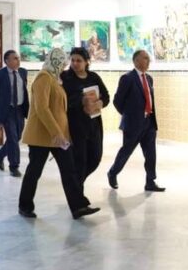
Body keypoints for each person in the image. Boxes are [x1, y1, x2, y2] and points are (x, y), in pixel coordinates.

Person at [18, 48, 100, 220]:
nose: (64, 66)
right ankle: (25, 206)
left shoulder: (56, 79)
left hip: (59, 137)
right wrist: (56, 132)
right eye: (62, 63)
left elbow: (60, 110)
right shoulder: (43, 78)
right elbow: (42, 108)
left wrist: (63, 133)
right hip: (42, 136)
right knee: (34, 171)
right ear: (54, 61)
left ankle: (78, 207)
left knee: (69, 170)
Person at [107, 49, 165, 192]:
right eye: (145, 58)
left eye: (148, 58)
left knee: (151, 154)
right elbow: (117, 101)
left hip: (149, 123)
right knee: (126, 152)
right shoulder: (127, 78)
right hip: (133, 124)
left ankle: (150, 181)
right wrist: (129, 115)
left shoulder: (149, 78)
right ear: (136, 61)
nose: (148, 61)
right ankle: (113, 173)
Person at [61, 47, 110, 195]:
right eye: (73, 60)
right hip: (75, 125)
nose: (75, 63)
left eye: (79, 60)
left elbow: (106, 96)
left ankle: (76, 184)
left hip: (94, 124)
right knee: (80, 161)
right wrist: (80, 101)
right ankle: (78, 196)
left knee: (95, 158)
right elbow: (63, 100)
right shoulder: (65, 77)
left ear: (87, 62)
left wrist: (100, 103)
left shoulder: (93, 77)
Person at [0, 50, 29, 177]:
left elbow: (23, 90)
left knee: (17, 137)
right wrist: (1, 105)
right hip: (7, 110)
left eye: (18, 58)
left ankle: (0, 154)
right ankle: (14, 166)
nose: (18, 60)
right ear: (7, 61)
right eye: (15, 58)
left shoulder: (23, 72)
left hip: (20, 109)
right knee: (12, 138)